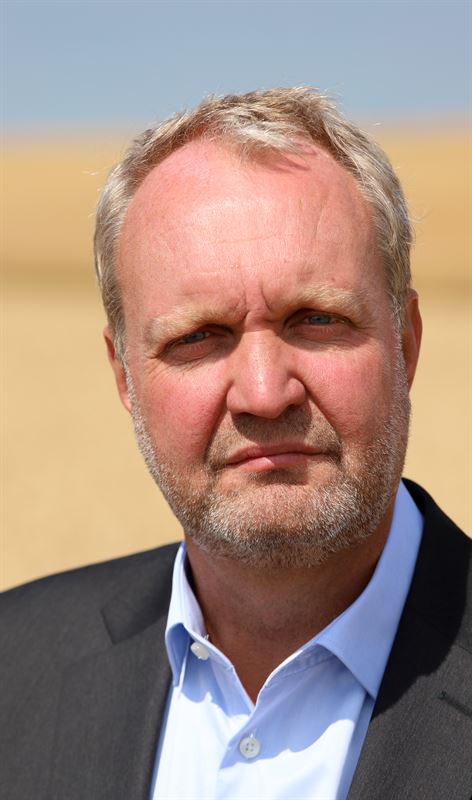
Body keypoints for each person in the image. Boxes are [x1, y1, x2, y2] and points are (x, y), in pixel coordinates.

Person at [1, 88, 471, 800]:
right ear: (124, 376)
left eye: (316, 319)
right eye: (198, 337)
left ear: (405, 344)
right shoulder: (13, 668)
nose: (263, 392)